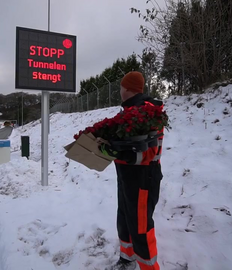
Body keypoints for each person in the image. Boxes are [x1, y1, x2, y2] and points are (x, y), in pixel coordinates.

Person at [98, 71, 164, 270]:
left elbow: (150, 151)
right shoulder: (128, 112)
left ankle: (149, 267)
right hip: (126, 177)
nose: (119, 91)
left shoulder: (148, 111)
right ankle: (127, 259)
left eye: (120, 87)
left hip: (143, 177)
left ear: (127, 89)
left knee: (141, 226)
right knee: (125, 218)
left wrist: (123, 154)